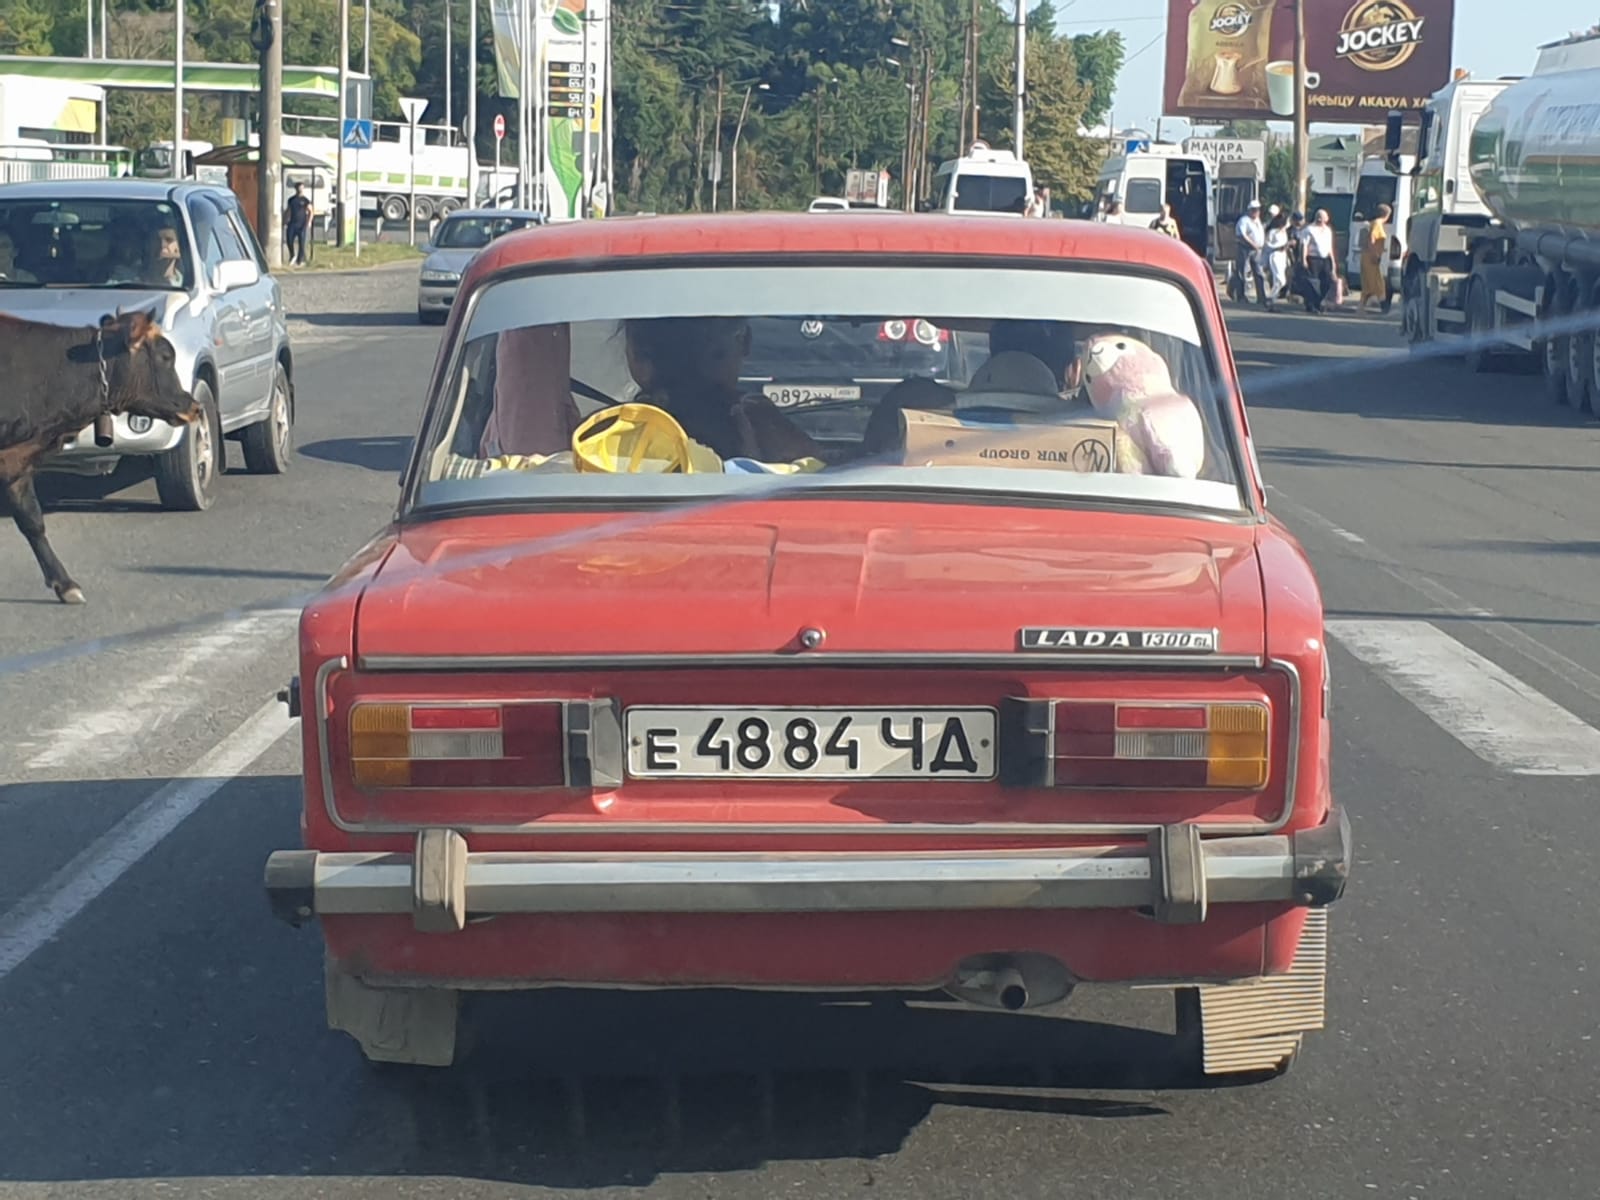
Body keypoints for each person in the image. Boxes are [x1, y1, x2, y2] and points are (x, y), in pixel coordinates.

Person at [621, 317, 821, 463]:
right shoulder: (761, 423)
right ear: (744, 342)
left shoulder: (604, 436)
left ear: (636, 355)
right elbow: (819, 475)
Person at [1297, 208, 1337, 314]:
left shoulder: (1328, 230)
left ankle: (1319, 302)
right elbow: (1304, 245)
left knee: (1327, 281)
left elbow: (1330, 247)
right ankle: (1311, 305)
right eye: (1321, 217)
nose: (1323, 219)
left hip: (1325, 259)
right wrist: (1303, 259)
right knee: (1313, 283)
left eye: (1324, 217)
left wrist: (1333, 262)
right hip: (1313, 258)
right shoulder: (1309, 229)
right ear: (1317, 218)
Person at [1233, 199, 1267, 307]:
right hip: (1245, 249)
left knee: (1258, 272)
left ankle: (1261, 296)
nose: (1256, 212)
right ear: (1249, 210)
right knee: (1242, 272)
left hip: (1257, 250)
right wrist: (1253, 244)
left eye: (1258, 210)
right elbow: (1242, 235)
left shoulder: (1258, 221)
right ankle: (1241, 296)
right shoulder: (1244, 220)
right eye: (1254, 210)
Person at [1360, 202, 1393, 315]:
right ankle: (1384, 307)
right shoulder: (1377, 224)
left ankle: (1360, 309)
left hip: (1369, 256)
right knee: (1378, 283)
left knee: (1369, 284)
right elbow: (1371, 239)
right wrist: (1375, 254)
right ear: (1387, 215)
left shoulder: (1375, 223)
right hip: (1371, 258)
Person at [1261, 210, 1290, 312]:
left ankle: (1272, 300)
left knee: (1280, 280)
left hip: (1283, 256)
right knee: (1280, 280)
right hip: (1275, 255)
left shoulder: (1284, 231)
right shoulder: (1272, 232)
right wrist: (1279, 247)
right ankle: (1270, 298)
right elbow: (1267, 245)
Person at [283, 182, 312, 267]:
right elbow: (288, 211)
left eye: (302, 188)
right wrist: (284, 221)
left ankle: (300, 260)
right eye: (299, 188)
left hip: (302, 224)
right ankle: (292, 255)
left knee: (302, 243)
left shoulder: (305, 200)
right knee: (289, 240)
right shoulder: (291, 200)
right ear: (296, 189)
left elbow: (311, 211)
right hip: (292, 223)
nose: (300, 190)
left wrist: (309, 221)